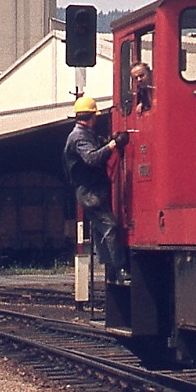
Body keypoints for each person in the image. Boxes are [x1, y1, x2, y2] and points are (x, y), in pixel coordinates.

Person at [62, 96, 129, 285]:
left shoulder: (85, 134)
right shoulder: (79, 137)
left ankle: (111, 271)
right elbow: (92, 158)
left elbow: (97, 147)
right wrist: (113, 145)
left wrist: (109, 141)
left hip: (91, 190)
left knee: (100, 230)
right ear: (92, 117)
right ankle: (120, 268)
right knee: (110, 227)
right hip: (89, 191)